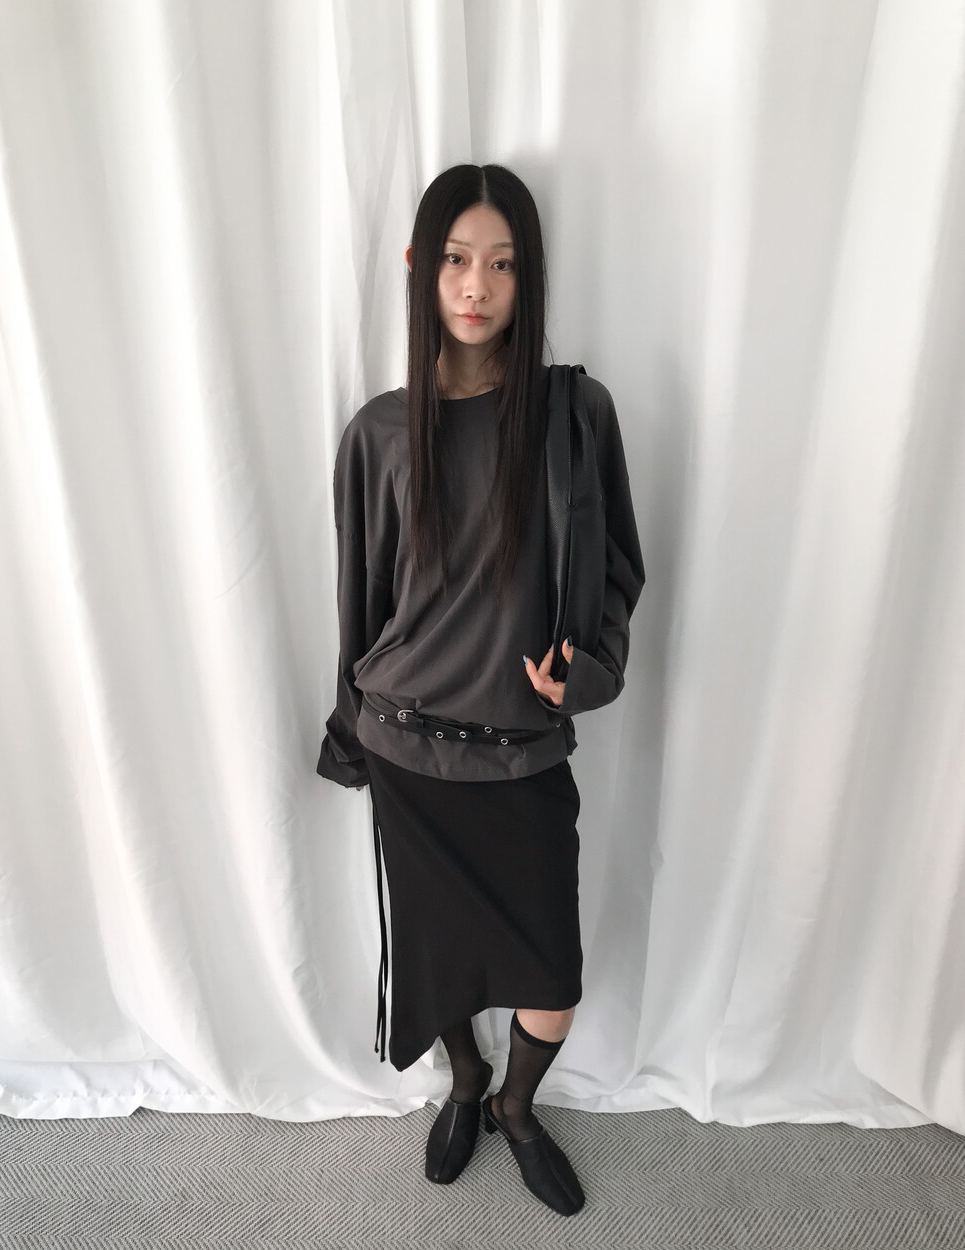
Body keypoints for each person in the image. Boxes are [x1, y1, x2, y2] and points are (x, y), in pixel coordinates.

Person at [316, 163, 645, 1217]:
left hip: (522, 749)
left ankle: (515, 1104)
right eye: (457, 259)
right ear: (422, 267)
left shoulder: (572, 415)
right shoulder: (378, 433)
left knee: (551, 978)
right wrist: (350, 729)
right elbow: (361, 604)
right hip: (409, 746)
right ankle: (464, 1081)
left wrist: (584, 672)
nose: (476, 285)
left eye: (502, 264)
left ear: (527, 276)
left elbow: (617, 571)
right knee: (440, 959)